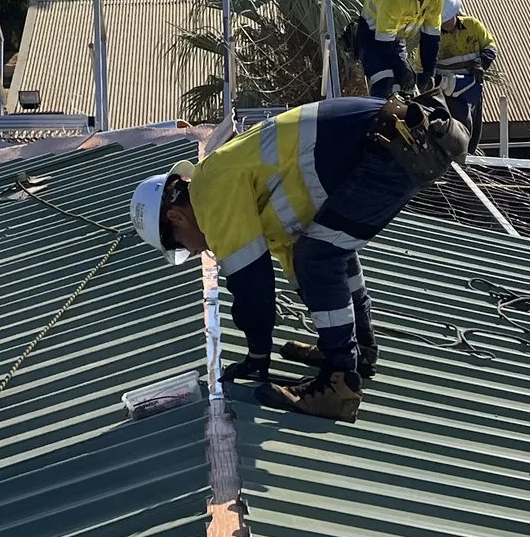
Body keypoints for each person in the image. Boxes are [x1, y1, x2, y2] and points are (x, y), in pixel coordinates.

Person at [130, 94, 467, 421]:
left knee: (319, 257)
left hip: (388, 146)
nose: (194, 251)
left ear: (176, 218)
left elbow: (252, 283)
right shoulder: (245, 191)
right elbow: (296, 266)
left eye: (180, 246)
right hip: (398, 142)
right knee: (326, 250)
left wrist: (258, 355)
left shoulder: (208, 191)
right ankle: (360, 350)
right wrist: (333, 332)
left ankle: (340, 383)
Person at [350, 0, 459, 100]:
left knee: (408, 90)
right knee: (385, 82)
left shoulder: (436, 0)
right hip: (372, 39)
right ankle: (375, 120)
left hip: (395, 41)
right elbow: (384, 42)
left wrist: (428, 73)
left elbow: (431, 40)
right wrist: (402, 69)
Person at [434, 0, 497, 150]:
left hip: (472, 83)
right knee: (462, 119)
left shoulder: (473, 26)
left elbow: (490, 46)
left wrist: (481, 63)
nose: (446, 25)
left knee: (475, 125)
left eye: (447, 19)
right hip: (447, 87)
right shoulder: (434, 35)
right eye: (443, 21)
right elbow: (422, 65)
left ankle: (470, 153)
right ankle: (460, 153)